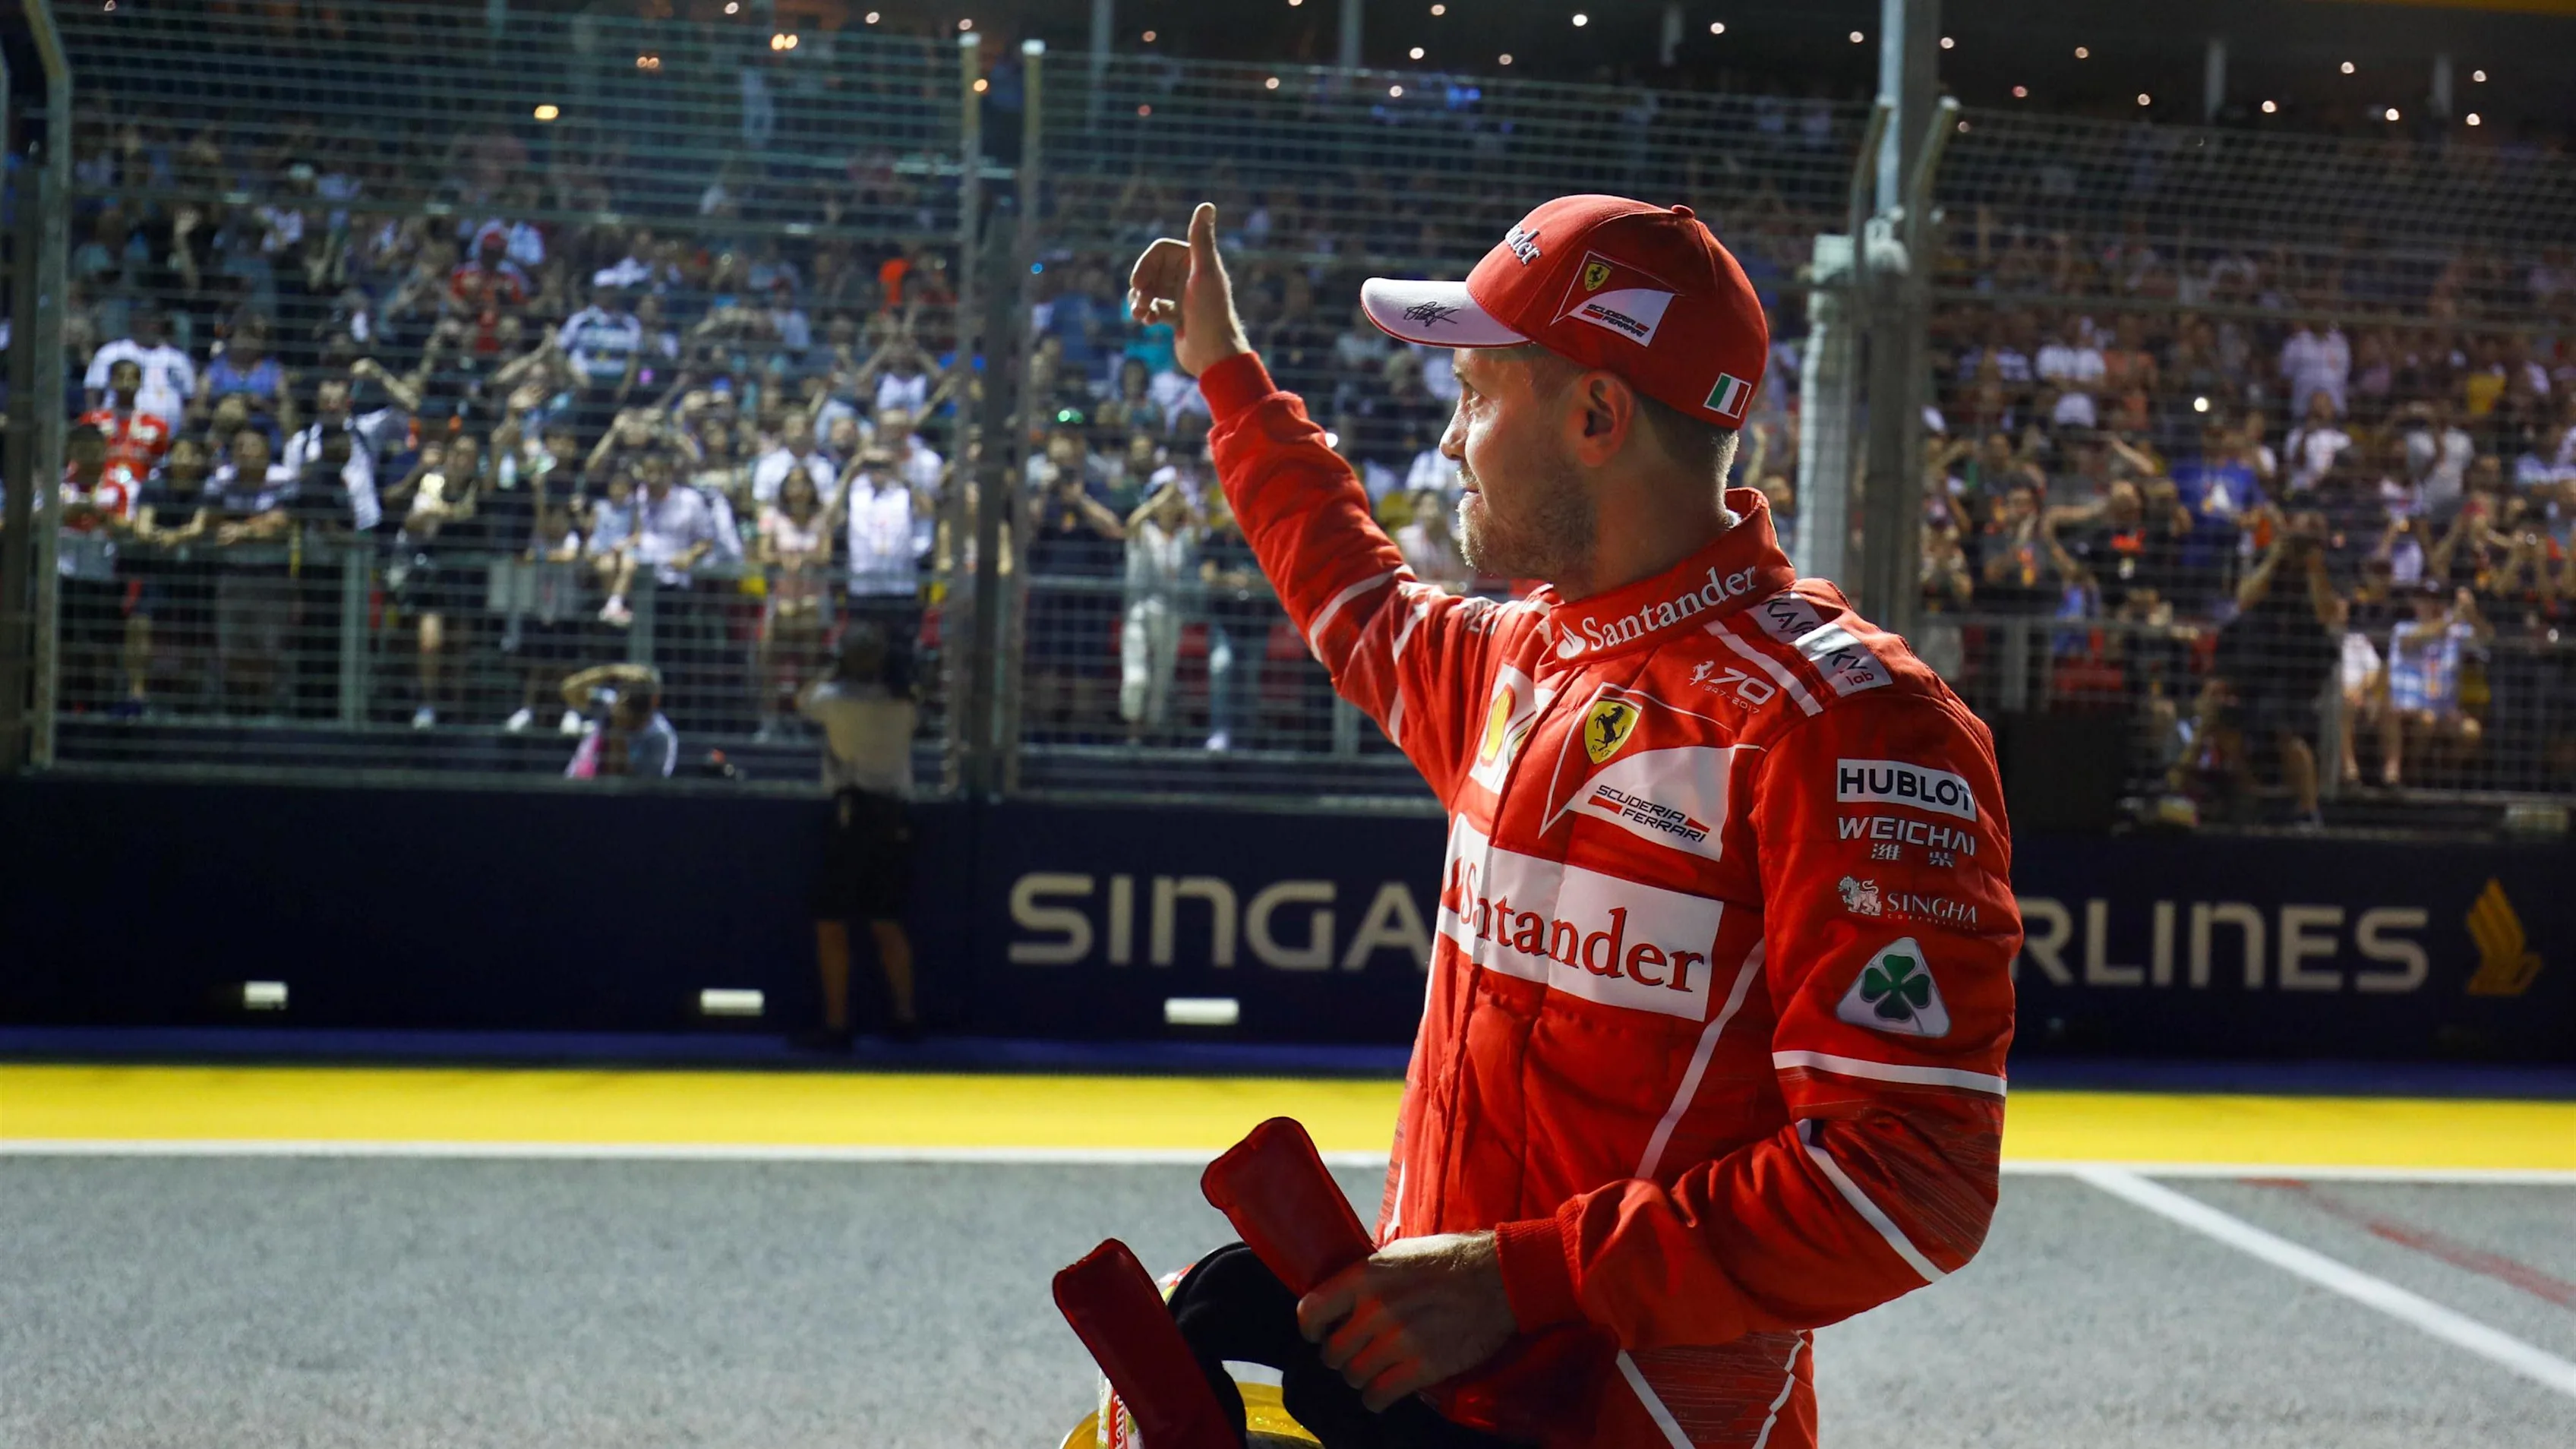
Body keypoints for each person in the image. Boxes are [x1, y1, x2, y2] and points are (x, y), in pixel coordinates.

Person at [1122, 199, 2017, 1448]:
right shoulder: (1523, 656)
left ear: (1596, 418)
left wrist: (1511, 1276)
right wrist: (1227, 375)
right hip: (1429, 1405)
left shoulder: (1851, 728)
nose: (1445, 440)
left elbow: (1909, 1181)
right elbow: (1349, 588)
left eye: (1478, 396)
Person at [794, 623, 921, 1049]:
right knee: (888, 921)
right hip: (894, 818)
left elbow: (802, 702)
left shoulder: (833, 700)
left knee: (832, 924)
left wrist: (833, 670)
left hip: (850, 818)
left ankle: (837, 1024)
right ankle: (904, 1017)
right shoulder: (904, 704)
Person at [559, 662, 678, 779]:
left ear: (654, 700)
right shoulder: (610, 703)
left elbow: (632, 785)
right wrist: (610, 672)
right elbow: (568, 690)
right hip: (576, 786)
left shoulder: (660, 737)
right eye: (627, 690)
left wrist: (617, 729)